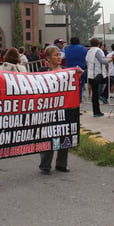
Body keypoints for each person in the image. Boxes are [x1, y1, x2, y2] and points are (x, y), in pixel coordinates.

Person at [38, 46, 69, 174]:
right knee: (47, 136)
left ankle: (62, 163)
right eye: (55, 55)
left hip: (64, 107)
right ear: (48, 58)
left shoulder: (67, 71)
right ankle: (45, 165)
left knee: (64, 135)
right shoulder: (42, 71)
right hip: (48, 108)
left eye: (59, 55)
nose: (58, 57)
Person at [85, 37, 112, 117]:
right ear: (99, 44)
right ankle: (104, 95)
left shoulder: (89, 51)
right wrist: (111, 59)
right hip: (98, 74)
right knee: (111, 80)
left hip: (90, 75)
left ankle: (96, 111)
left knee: (95, 94)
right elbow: (103, 61)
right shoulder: (98, 51)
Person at [65, 37, 87, 102]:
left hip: (69, 69)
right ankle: (79, 97)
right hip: (81, 68)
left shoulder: (67, 48)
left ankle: (71, 97)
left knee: (71, 84)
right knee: (80, 83)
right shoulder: (82, 48)